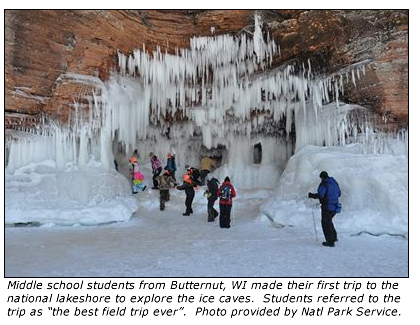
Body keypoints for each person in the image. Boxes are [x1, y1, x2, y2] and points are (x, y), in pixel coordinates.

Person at [308, 171, 341, 247]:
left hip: (327, 207)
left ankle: (330, 241)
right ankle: (334, 237)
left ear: (322, 178)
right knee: (329, 221)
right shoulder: (334, 183)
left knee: (325, 223)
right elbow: (339, 193)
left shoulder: (324, 184)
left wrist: (312, 195)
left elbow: (321, 195)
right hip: (335, 206)